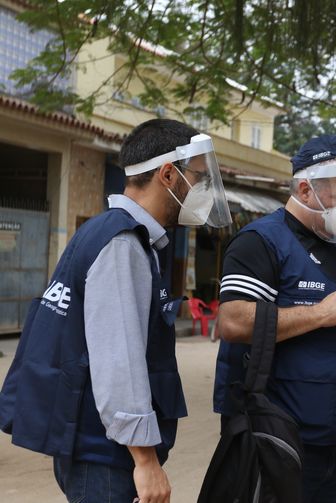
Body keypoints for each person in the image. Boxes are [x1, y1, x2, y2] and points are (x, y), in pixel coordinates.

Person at [0, 118, 231, 503]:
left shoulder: (107, 232)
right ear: (169, 175)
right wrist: (145, 461)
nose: (203, 190)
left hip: (95, 448)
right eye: (199, 178)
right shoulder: (122, 244)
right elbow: (118, 362)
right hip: (105, 456)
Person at [213, 134, 336, 502]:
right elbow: (233, 322)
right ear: (306, 190)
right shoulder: (259, 241)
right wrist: (320, 312)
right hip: (280, 439)